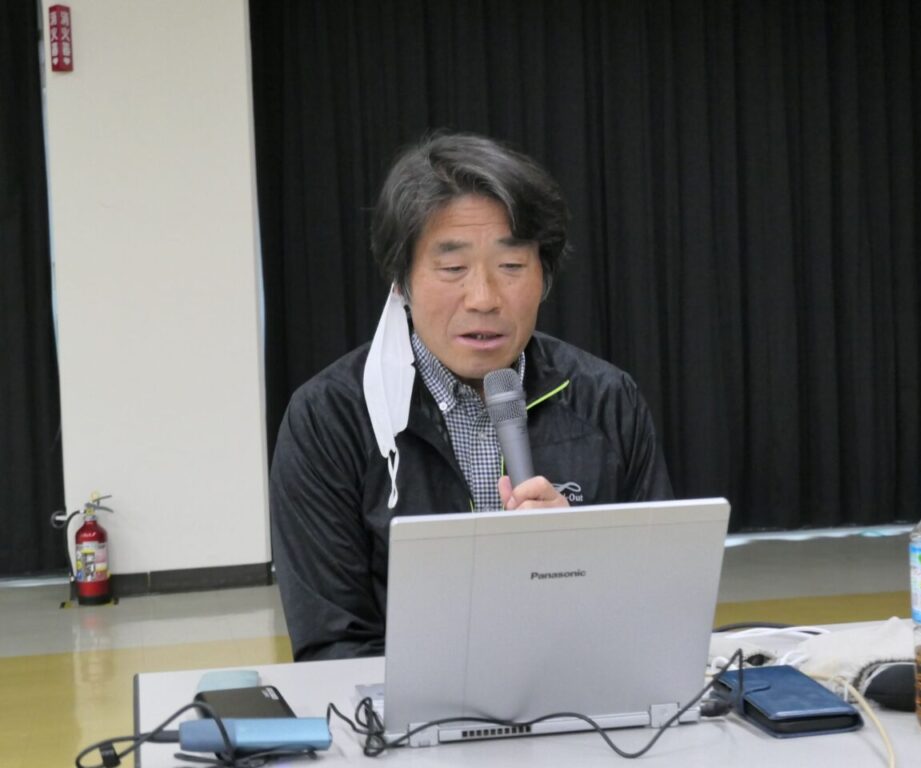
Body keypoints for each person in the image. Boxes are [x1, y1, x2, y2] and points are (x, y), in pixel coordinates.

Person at [271, 132, 673, 660]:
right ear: (401, 282)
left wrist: (575, 561)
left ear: (544, 278)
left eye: (511, 267)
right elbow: (333, 645)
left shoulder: (607, 400)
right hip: (409, 706)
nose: (483, 298)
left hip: (578, 692)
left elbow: (662, 607)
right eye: (452, 268)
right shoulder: (330, 419)